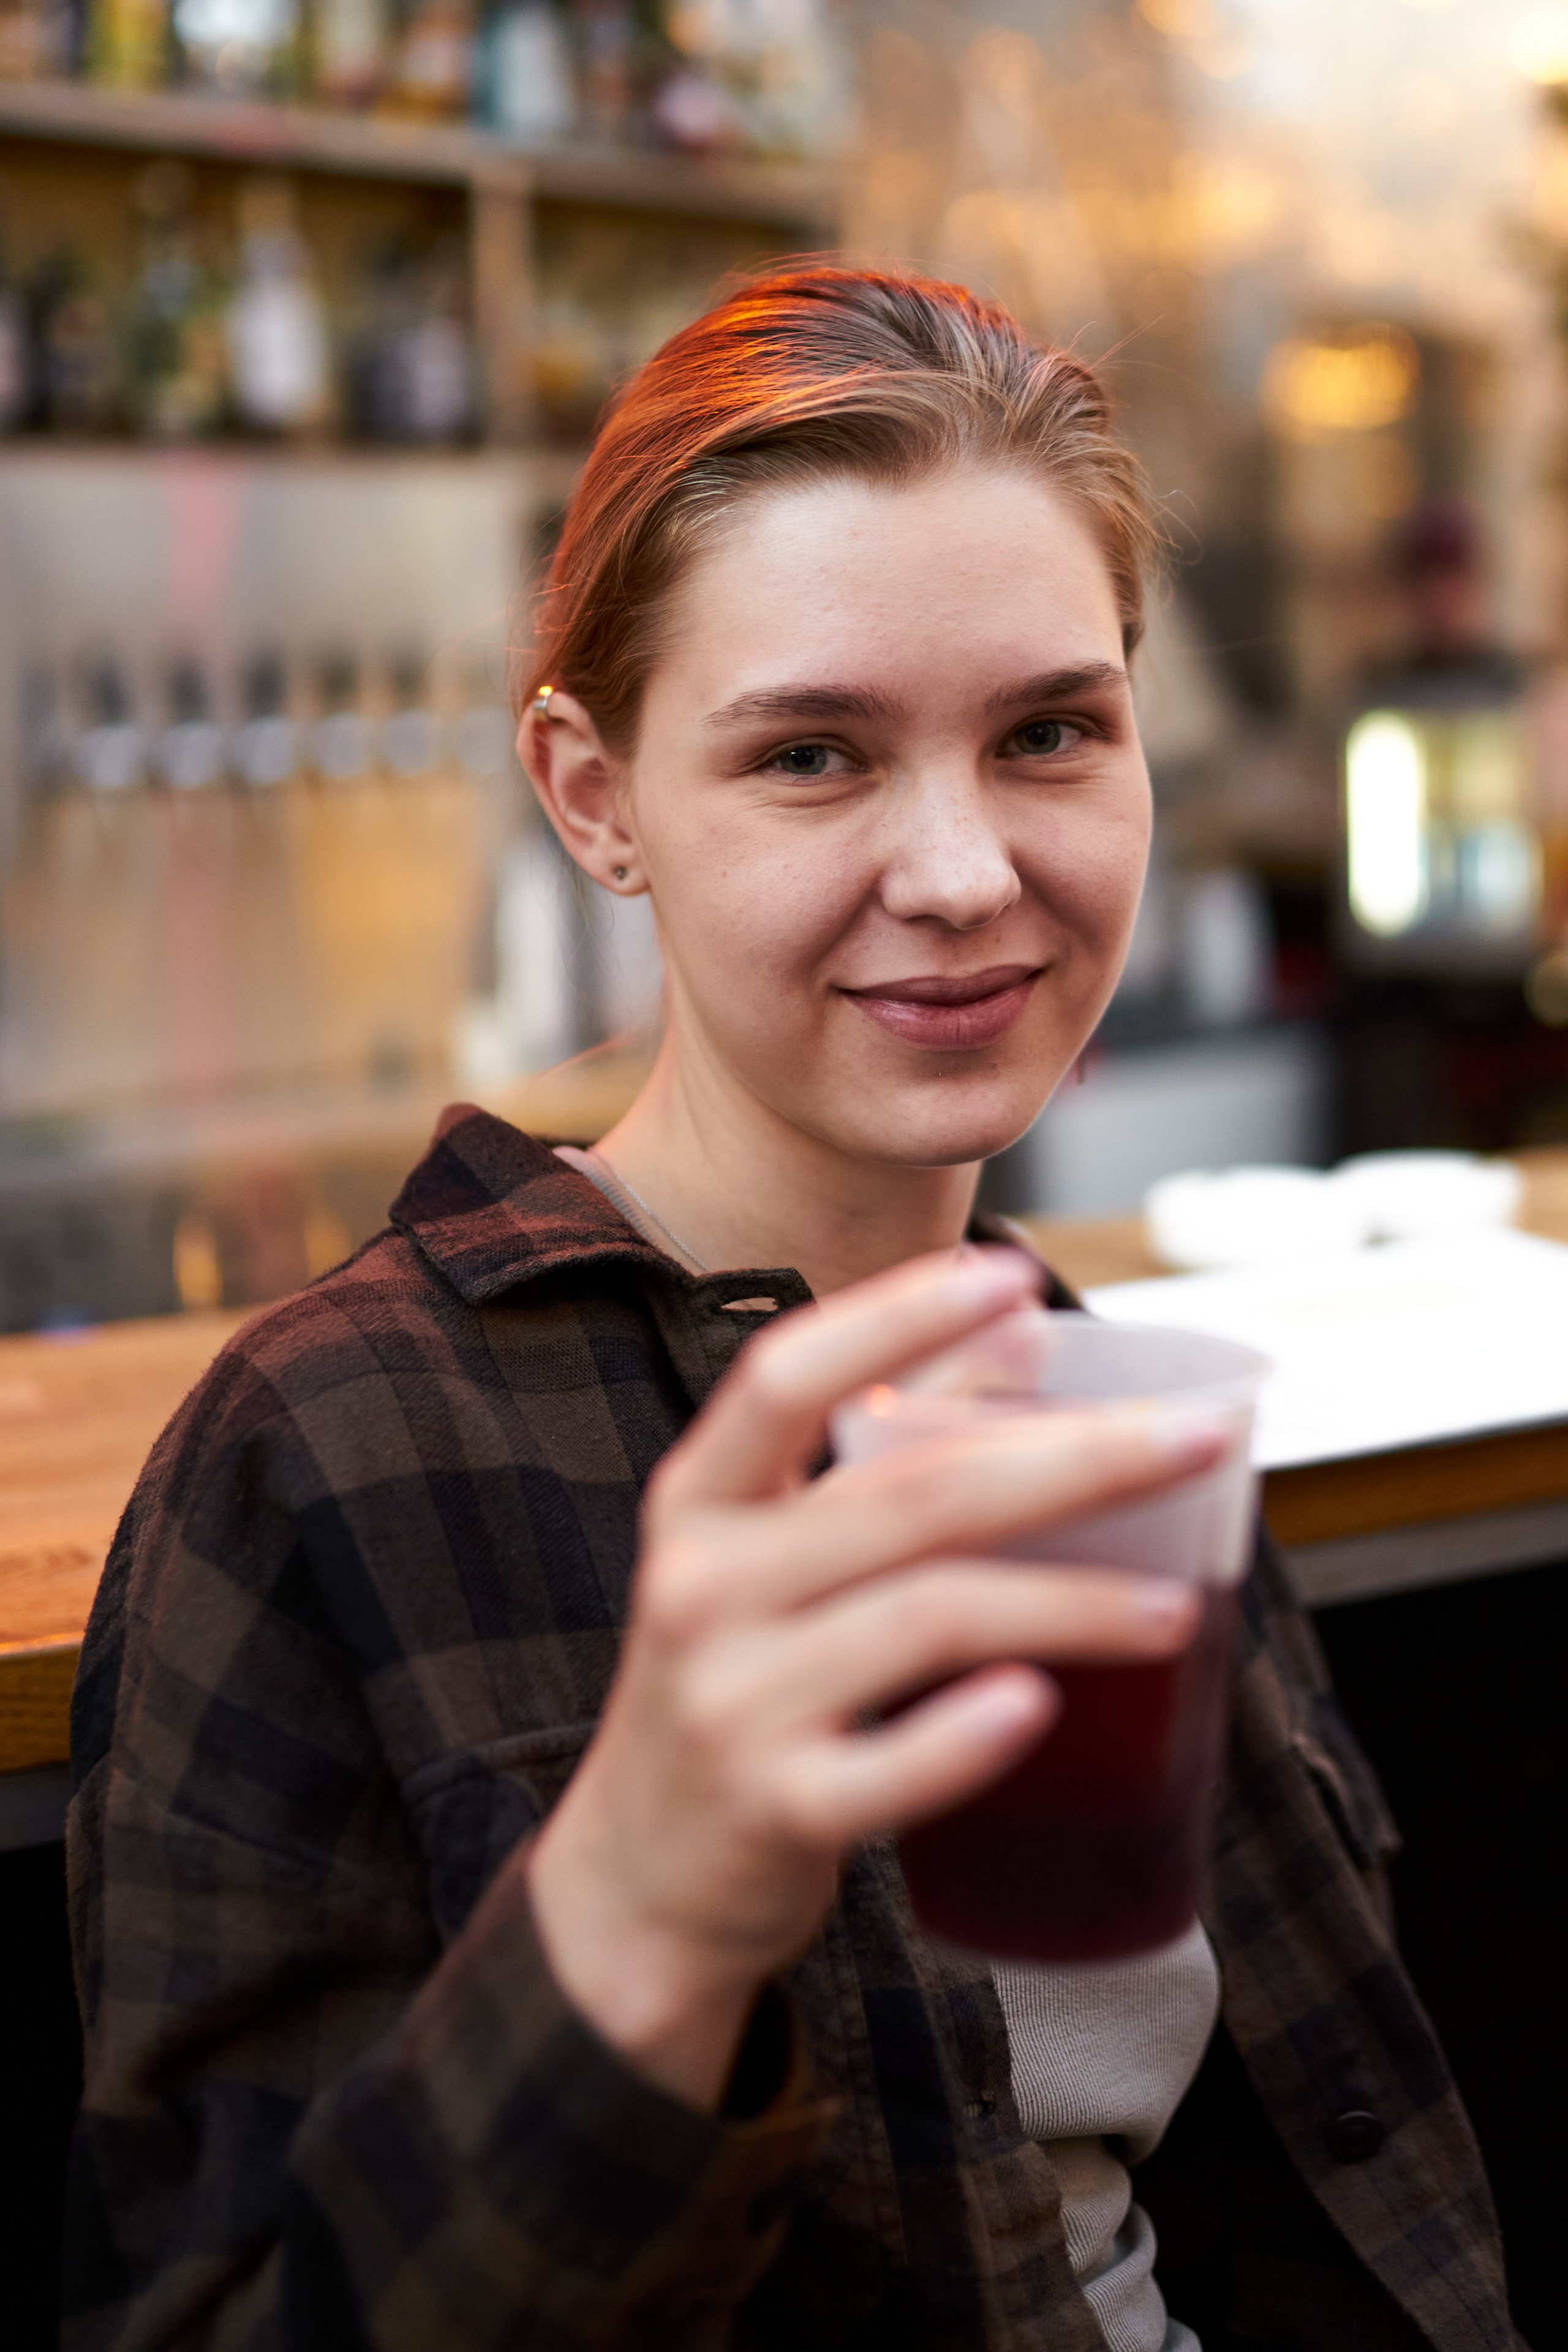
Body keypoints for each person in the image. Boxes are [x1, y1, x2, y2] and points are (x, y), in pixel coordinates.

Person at [65, 267, 1519, 2352]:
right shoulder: (336, 1450)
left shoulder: (1085, 1391)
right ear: (595, 796)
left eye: (1049, 733)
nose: (961, 869)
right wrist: (641, 1920)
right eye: (816, 756)